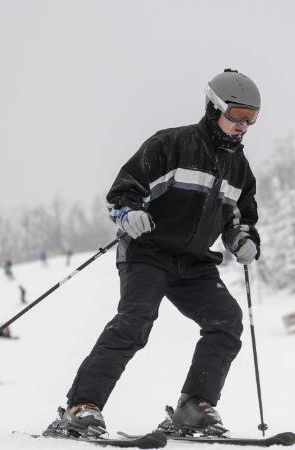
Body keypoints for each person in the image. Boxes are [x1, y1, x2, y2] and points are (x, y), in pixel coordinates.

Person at [57, 69, 261, 438]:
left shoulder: (239, 168)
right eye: (236, 115)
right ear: (214, 107)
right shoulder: (172, 144)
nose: (243, 125)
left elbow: (239, 217)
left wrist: (243, 240)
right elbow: (124, 192)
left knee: (226, 321)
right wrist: (129, 213)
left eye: (252, 118)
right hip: (148, 253)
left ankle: (193, 407)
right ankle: (81, 407)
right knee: (136, 321)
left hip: (195, 263)